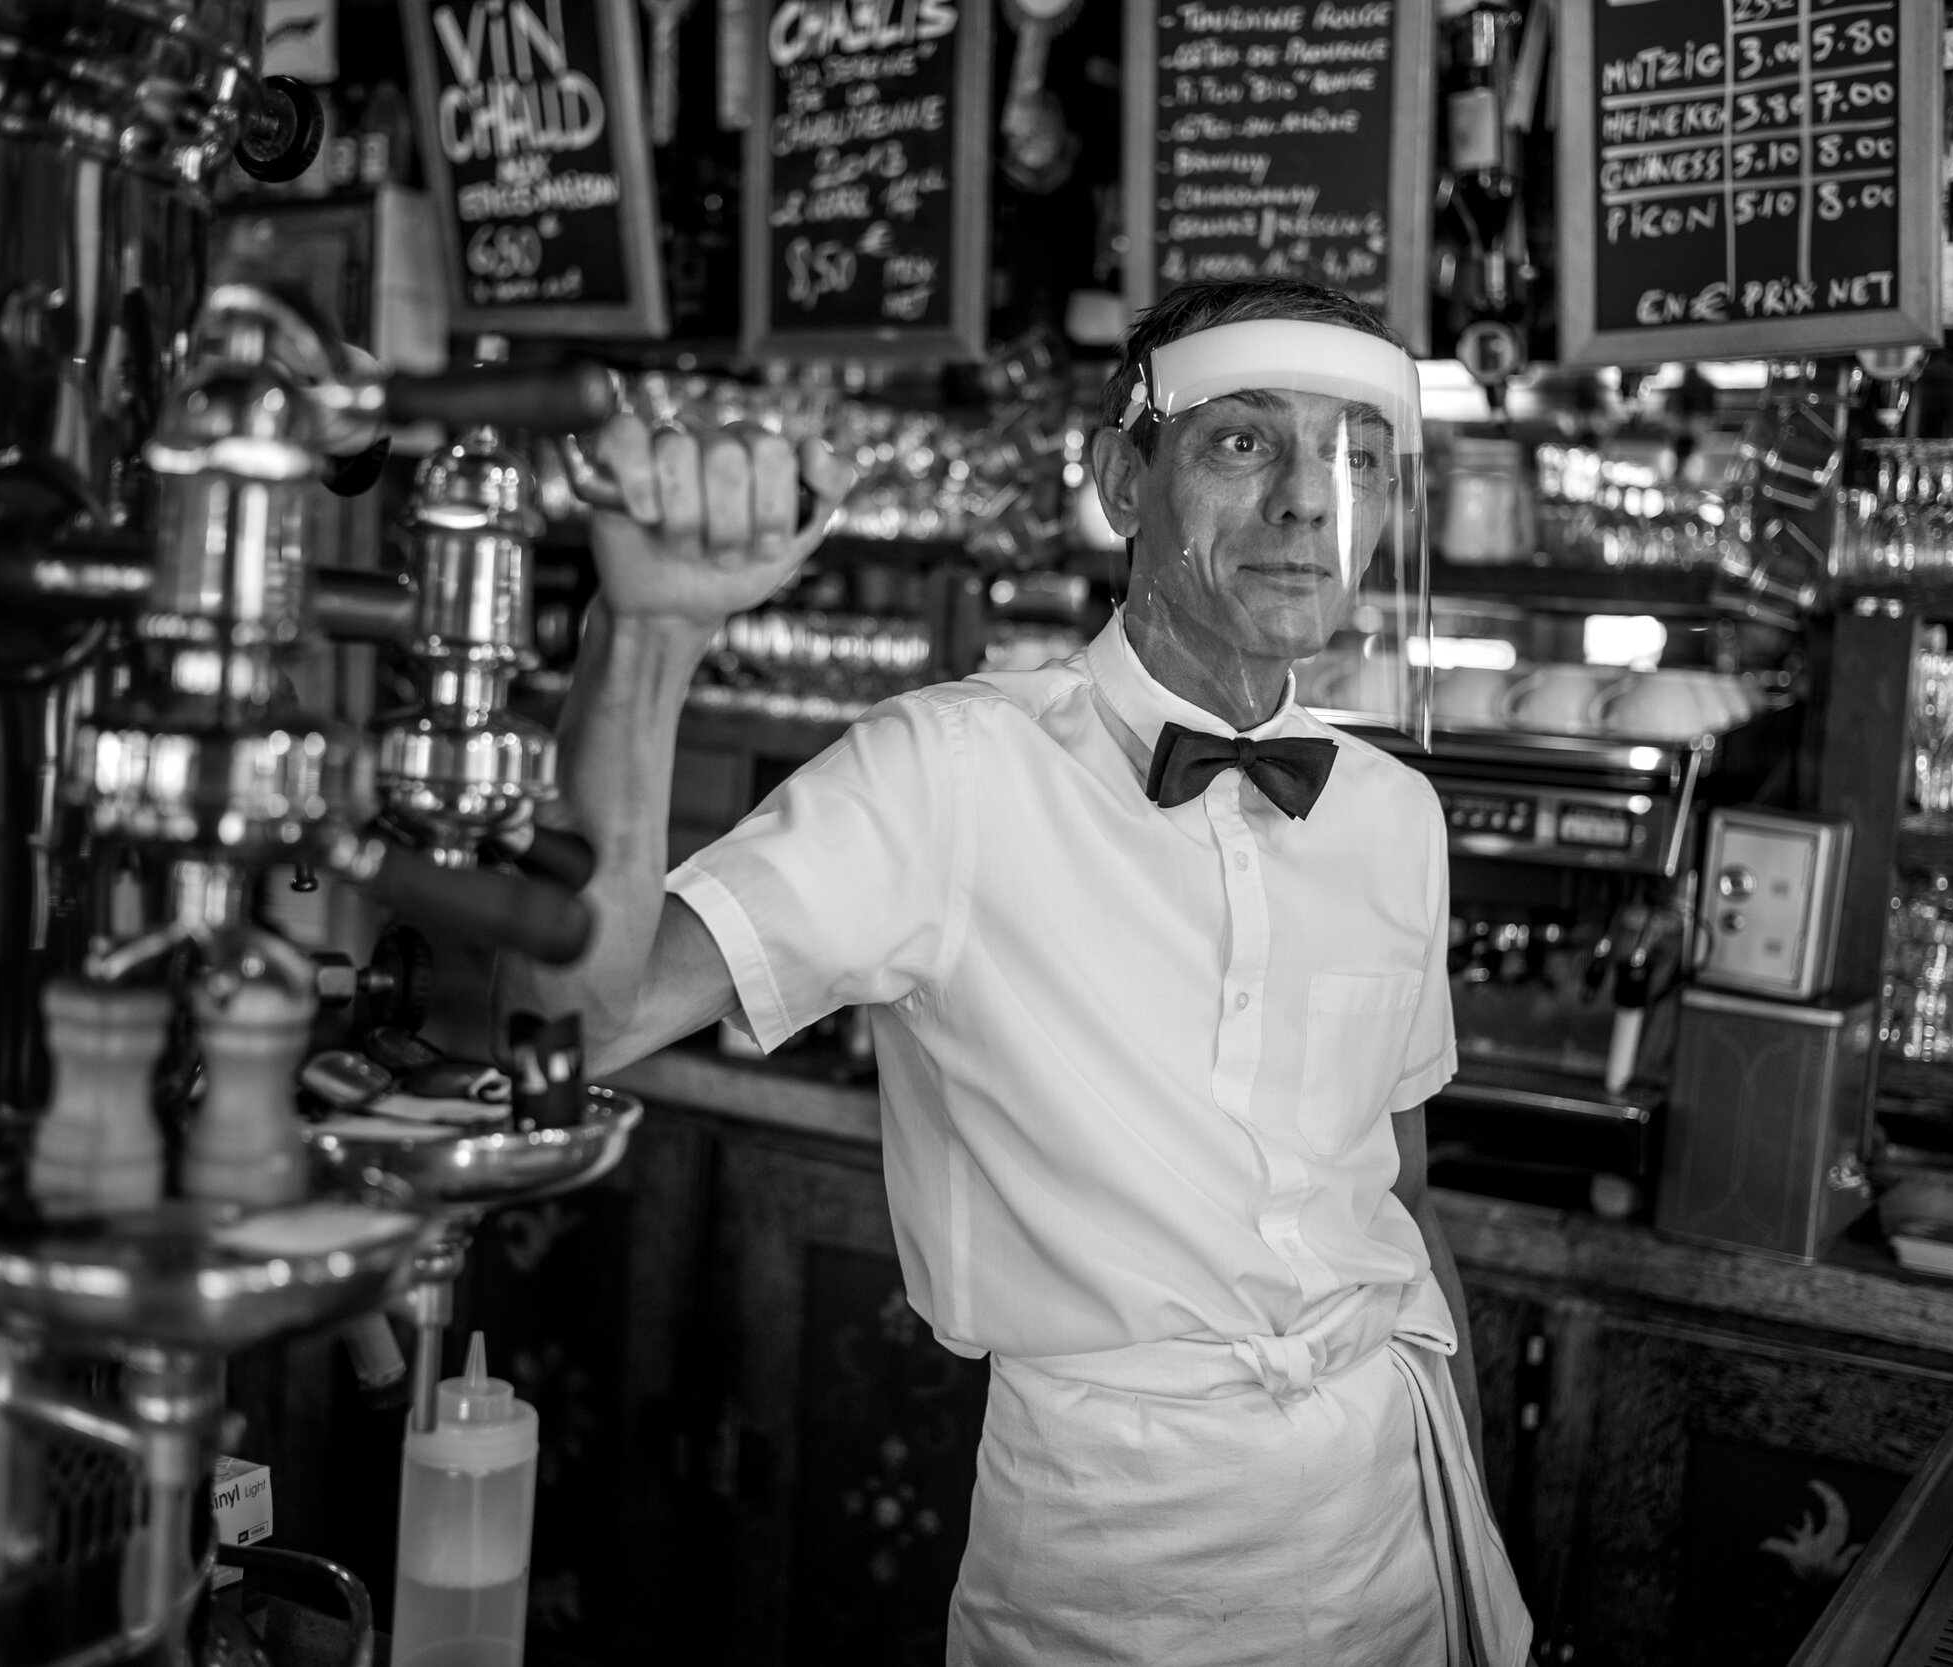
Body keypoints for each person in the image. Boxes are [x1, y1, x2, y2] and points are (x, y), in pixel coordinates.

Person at [457, 279, 1532, 1665]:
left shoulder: (1394, 815)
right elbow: (563, 1025)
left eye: (1356, 457)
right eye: (1245, 442)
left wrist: (1475, 1531)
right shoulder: (949, 772)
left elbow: (1404, 1196)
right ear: (1120, 481)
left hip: (1399, 1520)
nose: (1311, 507)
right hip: (1115, 1558)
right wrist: (650, 643)